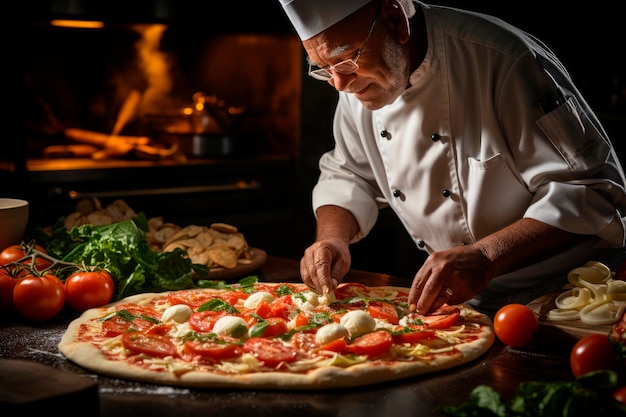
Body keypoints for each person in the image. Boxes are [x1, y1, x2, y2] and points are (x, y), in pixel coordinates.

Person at [277, 0, 626, 315]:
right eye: (322, 68)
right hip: (466, 303)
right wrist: (332, 237)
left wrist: (486, 256)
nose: (338, 84)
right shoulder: (355, 80)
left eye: (347, 58)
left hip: (576, 297)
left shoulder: (502, 59)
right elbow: (350, 172)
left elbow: (592, 190)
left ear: (395, 19)